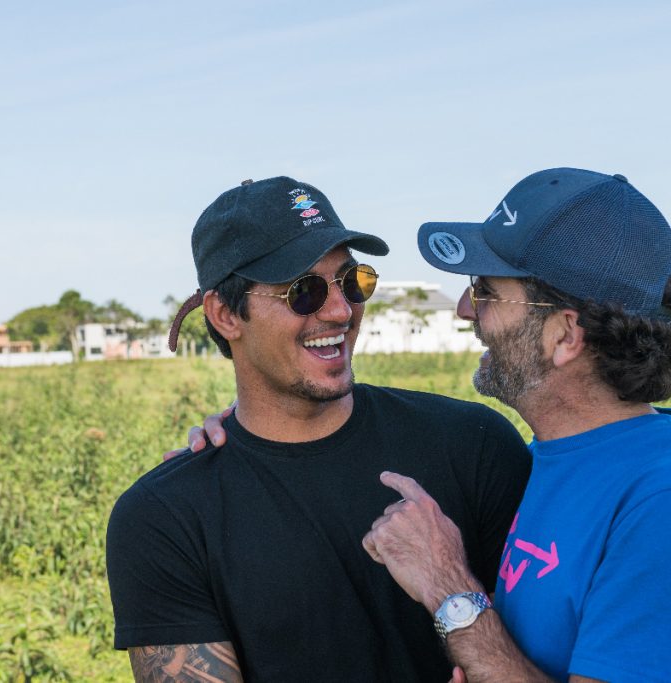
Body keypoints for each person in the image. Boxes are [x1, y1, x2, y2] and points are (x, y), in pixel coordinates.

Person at [105, 177, 531, 682]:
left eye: (353, 282)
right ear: (224, 314)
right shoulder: (165, 518)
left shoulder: (475, 444)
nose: (341, 310)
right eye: (302, 292)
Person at [360, 168, 671, 682]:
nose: (467, 309)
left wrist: (450, 593)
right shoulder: (549, 459)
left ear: (564, 336)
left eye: (486, 290)